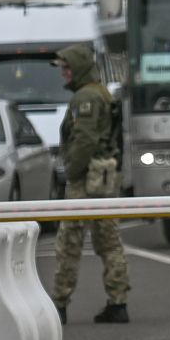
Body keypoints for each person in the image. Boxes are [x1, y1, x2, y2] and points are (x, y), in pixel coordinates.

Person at [49, 43, 130, 324]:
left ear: (80, 68)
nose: (64, 74)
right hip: (104, 177)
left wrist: (71, 171)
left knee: (69, 243)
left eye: (67, 68)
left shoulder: (85, 98)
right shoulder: (100, 92)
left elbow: (84, 140)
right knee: (109, 241)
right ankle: (118, 301)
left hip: (86, 178)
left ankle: (58, 304)